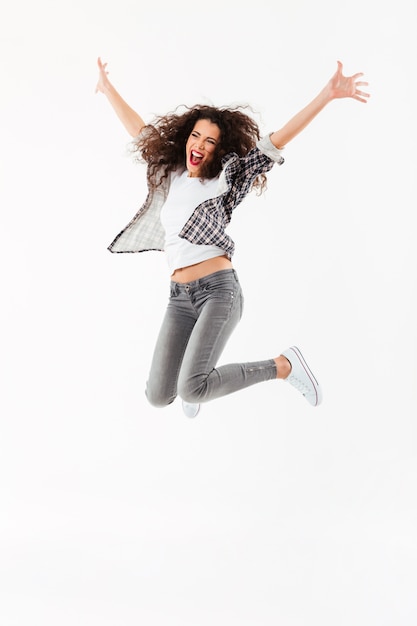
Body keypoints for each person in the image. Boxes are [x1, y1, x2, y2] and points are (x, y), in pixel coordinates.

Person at [95, 58, 369, 417]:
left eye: (209, 141)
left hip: (218, 290)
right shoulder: (172, 172)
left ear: (218, 149)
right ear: (185, 136)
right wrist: (107, 87)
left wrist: (327, 95)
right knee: (158, 396)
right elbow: (140, 131)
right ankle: (194, 385)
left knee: (192, 386)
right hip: (179, 297)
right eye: (195, 135)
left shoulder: (226, 180)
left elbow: (275, 141)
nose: (199, 145)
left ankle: (283, 365)